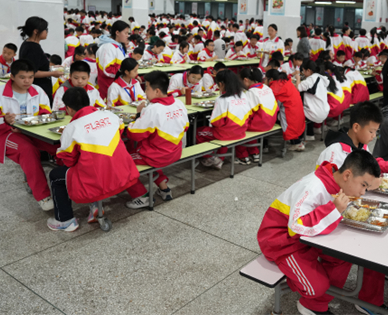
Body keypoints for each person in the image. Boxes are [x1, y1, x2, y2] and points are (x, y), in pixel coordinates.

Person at [257, 150, 382, 315]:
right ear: (347, 175)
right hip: (281, 241)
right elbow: (296, 226)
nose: (363, 192)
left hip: (306, 238)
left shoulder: (336, 183)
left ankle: (315, 305)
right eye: (364, 185)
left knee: (341, 259)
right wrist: (334, 210)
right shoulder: (313, 187)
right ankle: (308, 296)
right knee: (317, 287)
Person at [47, 87, 139, 231]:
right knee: (94, 161)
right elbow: (120, 132)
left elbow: (69, 161)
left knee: (56, 175)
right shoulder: (110, 115)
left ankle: (64, 220)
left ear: (69, 109)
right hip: (124, 173)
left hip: (99, 179)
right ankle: (95, 204)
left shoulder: (72, 128)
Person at [0, 59, 56, 211]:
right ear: (12, 76)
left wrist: (33, 124)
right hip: (5, 134)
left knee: (59, 145)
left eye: (31, 77)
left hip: (34, 131)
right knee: (27, 150)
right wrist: (4, 120)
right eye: (22, 77)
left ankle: (70, 180)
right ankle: (43, 196)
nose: (27, 81)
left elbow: (46, 113)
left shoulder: (38, 91)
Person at [124, 71, 189, 208]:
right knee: (152, 151)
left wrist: (138, 114)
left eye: (147, 88)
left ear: (157, 91)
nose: (145, 92)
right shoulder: (179, 104)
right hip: (175, 152)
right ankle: (164, 188)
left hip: (157, 156)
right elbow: (186, 127)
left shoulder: (153, 109)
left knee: (122, 162)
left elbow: (134, 134)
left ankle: (141, 197)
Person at [196, 70, 253, 169]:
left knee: (198, 132)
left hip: (227, 134)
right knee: (226, 127)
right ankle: (220, 158)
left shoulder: (222, 99)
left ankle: (211, 158)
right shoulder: (243, 94)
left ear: (221, 84)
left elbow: (216, 122)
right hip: (242, 130)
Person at [236, 68, 279, 165]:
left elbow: (248, 113)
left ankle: (243, 156)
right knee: (252, 121)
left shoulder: (251, 92)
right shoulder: (266, 87)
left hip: (261, 124)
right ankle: (254, 152)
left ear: (246, 80)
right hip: (271, 122)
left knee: (238, 125)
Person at [17, 16, 63, 99]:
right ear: (36, 31)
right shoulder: (33, 48)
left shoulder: (29, 44)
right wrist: (52, 73)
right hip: (37, 89)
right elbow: (32, 72)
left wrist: (51, 68)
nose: (47, 32)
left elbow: (37, 64)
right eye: (45, 29)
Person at [265, 70, 306, 151]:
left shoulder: (275, 87)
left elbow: (271, 105)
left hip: (289, 115)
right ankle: (297, 142)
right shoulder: (286, 83)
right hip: (298, 114)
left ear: (271, 79)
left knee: (265, 117)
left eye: (265, 79)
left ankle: (265, 146)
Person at [294, 60, 330, 141]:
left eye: (303, 71)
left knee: (294, 111)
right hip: (324, 111)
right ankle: (310, 134)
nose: (303, 73)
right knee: (308, 106)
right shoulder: (321, 77)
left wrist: (298, 78)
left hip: (315, 113)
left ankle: (297, 141)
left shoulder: (311, 79)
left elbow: (298, 88)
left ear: (308, 70)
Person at [97, 20, 130, 99]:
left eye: (128, 33)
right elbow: (107, 70)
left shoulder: (118, 45)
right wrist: (127, 72)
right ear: (117, 33)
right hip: (109, 86)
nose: (127, 35)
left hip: (118, 84)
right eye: (125, 33)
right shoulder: (108, 47)